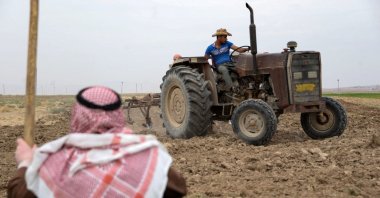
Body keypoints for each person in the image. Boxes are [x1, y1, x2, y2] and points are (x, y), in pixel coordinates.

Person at [7, 86, 187, 198]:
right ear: (118, 115)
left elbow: (18, 193)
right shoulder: (146, 157)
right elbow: (179, 188)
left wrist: (25, 162)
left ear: (77, 115)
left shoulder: (55, 165)